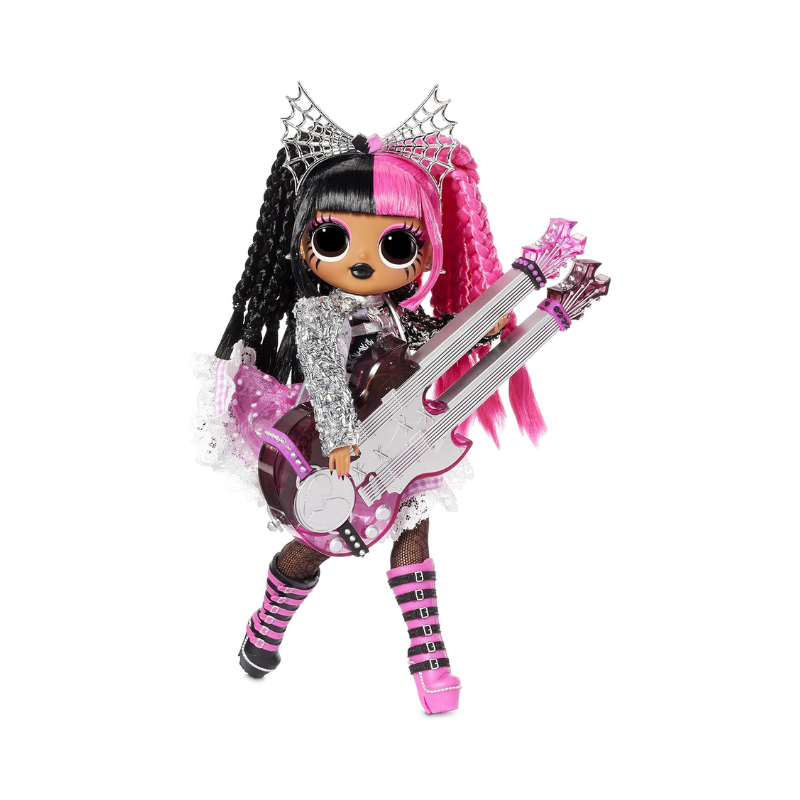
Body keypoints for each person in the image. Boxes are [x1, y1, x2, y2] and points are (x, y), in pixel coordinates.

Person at [193, 86, 546, 714]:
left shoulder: (394, 311)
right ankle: (265, 629)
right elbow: (324, 374)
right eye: (334, 239)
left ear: (425, 250)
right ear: (302, 241)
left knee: (414, 536)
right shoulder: (317, 314)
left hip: (398, 442)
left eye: (395, 246)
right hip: (333, 450)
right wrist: (338, 439)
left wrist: (478, 327)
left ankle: (430, 662)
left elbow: (420, 351)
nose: (361, 262)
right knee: (315, 544)